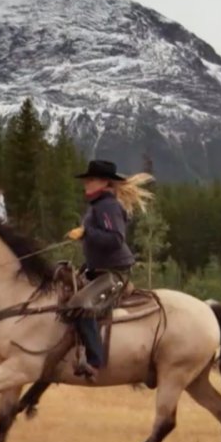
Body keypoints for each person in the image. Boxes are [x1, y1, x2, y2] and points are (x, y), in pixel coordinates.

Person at [63, 159, 154, 377]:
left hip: (115, 273)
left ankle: (95, 361)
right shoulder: (99, 205)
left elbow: (115, 239)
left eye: (90, 180)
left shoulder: (108, 206)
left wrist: (86, 233)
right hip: (98, 270)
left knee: (81, 305)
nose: (86, 184)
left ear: (104, 183)